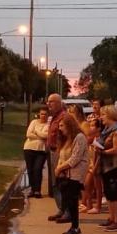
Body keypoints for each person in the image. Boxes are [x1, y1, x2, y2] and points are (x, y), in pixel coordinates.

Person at [55, 116, 88, 234]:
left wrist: (60, 168)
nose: (60, 128)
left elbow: (75, 158)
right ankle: (74, 227)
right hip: (66, 173)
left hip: (75, 174)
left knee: (73, 201)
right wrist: (59, 167)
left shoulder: (79, 137)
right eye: (59, 126)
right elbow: (62, 156)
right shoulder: (66, 139)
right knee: (69, 201)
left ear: (70, 125)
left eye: (62, 126)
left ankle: (75, 228)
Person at [97, 105, 117, 232]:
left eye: (103, 115)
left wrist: (102, 151)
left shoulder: (116, 129)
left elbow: (116, 149)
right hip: (107, 164)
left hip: (113, 164)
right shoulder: (107, 129)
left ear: (110, 115)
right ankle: (111, 217)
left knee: (113, 192)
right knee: (108, 192)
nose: (101, 117)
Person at [45, 94, 69, 222]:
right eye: (48, 102)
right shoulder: (54, 117)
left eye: (51, 102)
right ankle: (61, 208)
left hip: (60, 153)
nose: (48, 104)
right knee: (55, 183)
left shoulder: (64, 117)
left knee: (62, 183)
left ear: (59, 103)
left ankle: (67, 211)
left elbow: (68, 137)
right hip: (52, 151)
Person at [23, 108, 50, 198]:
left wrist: (36, 132)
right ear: (39, 114)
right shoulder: (34, 122)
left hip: (41, 150)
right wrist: (41, 137)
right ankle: (32, 189)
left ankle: (37, 190)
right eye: (42, 114)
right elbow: (28, 134)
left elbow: (46, 135)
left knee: (37, 169)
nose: (43, 116)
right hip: (29, 148)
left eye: (45, 114)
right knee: (30, 170)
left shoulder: (48, 125)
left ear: (47, 115)